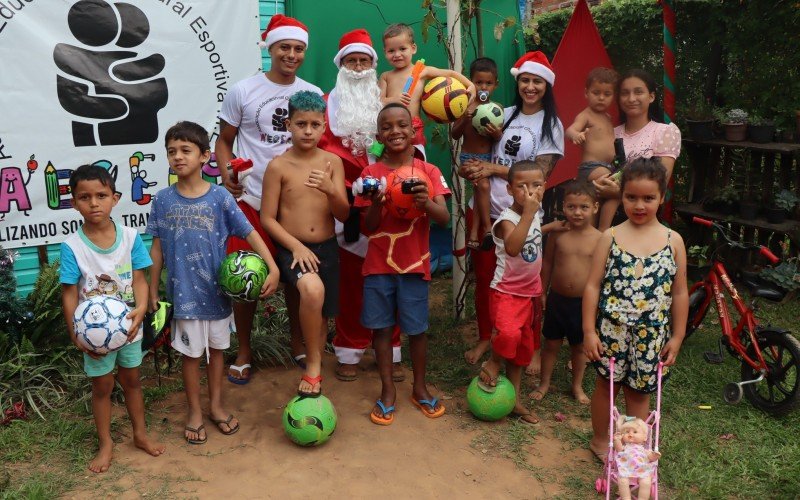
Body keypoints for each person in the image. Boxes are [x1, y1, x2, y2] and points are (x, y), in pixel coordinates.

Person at [147, 122, 279, 445]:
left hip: (218, 294)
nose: (178, 157)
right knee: (191, 356)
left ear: (205, 156)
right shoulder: (163, 200)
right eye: (171, 151)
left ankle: (216, 406)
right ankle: (194, 411)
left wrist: (272, 268)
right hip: (184, 294)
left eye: (185, 150)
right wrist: (152, 290)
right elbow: (157, 248)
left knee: (217, 352)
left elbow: (249, 231)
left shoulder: (220, 197)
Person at [215, 14, 322, 383]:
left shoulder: (311, 94)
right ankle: (244, 350)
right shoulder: (243, 91)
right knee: (245, 276)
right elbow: (223, 141)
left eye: (298, 49)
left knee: (296, 274)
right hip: (250, 199)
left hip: (293, 201)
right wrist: (228, 173)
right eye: (284, 47)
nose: (291, 54)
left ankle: (298, 343)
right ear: (271, 49)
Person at [459, 51, 565, 371]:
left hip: (523, 218)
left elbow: (541, 176)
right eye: (525, 81)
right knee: (487, 279)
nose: (530, 87)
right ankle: (485, 337)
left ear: (546, 86)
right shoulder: (500, 113)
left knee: (526, 285)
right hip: (487, 212)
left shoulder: (552, 125)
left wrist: (490, 166)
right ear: (517, 82)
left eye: (537, 82)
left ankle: (526, 342)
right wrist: (474, 168)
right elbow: (473, 150)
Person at [60, 164, 165, 473]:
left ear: (115, 198)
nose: (94, 203)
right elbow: (68, 293)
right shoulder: (72, 247)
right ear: (73, 202)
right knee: (102, 387)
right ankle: (106, 443)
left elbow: (141, 278)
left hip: (130, 328)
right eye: (85, 197)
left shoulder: (131, 238)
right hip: (94, 337)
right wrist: (75, 335)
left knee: (132, 381)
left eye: (101, 195)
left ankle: (140, 435)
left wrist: (142, 308)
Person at [583, 158, 688, 462]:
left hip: (652, 334)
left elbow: (680, 292)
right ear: (621, 195)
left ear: (662, 197)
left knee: (640, 393)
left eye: (648, 198)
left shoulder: (674, 241)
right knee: (606, 386)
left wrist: (678, 336)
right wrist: (589, 331)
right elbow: (592, 286)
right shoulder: (610, 237)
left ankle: (632, 448)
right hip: (611, 330)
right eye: (631, 197)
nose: (639, 205)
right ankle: (601, 441)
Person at [318, 28, 405, 382]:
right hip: (346, 207)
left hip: (389, 204)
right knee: (352, 283)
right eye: (351, 61)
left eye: (364, 60)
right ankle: (350, 348)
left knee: (390, 276)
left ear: (373, 64)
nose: (358, 67)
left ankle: (393, 348)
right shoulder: (326, 106)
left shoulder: (386, 104)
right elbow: (320, 151)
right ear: (341, 65)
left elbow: (408, 137)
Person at [357, 103, 451, 425]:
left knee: (417, 330)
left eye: (401, 125)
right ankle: (387, 391)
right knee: (381, 329)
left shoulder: (429, 172)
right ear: (379, 134)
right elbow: (367, 227)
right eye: (387, 127)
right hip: (379, 265)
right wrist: (375, 204)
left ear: (414, 131)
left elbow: (444, 217)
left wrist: (426, 203)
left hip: (414, 265)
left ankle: (420, 387)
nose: (394, 131)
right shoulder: (370, 175)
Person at [261, 91, 349, 396]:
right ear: (289, 124)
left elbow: (344, 213)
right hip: (293, 249)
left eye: (314, 124)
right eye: (301, 124)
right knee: (312, 290)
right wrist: (295, 247)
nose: (308, 131)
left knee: (321, 314)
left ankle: (316, 363)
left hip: (326, 246)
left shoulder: (332, 163)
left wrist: (331, 191)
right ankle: (313, 367)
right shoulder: (279, 166)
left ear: (324, 126)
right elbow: (267, 218)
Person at [476, 160, 548, 425]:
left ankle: (515, 400)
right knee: (507, 334)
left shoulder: (537, 215)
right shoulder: (507, 220)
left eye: (536, 185)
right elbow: (514, 248)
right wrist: (529, 214)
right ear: (508, 189)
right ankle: (494, 362)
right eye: (522, 186)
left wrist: (547, 224)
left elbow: (534, 247)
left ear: (545, 187)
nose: (529, 192)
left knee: (521, 349)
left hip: (529, 294)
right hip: (506, 292)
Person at [531, 180, 600, 405]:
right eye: (571, 207)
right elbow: (548, 262)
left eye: (584, 207)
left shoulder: (600, 240)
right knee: (550, 343)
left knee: (579, 348)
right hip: (556, 299)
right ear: (563, 206)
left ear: (595, 207)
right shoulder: (557, 234)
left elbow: (602, 274)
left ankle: (577, 386)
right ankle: (544, 384)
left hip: (583, 304)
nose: (577, 212)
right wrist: (542, 289)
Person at [592, 69, 681, 221]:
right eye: (625, 93)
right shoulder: (609, 133)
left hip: (643, 219)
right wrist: (596, 185)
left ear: (651, 96)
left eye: (638, 92)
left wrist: (619, 192)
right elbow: (594, 170)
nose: (631, 98)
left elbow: (660, 183)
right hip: (605, 217)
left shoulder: (665, 132)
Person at [378, 22, 475, 155]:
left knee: (415, 161)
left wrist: (471, 85)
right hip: (390, 127)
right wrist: (394, 99)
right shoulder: (386, 76)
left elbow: (451, 74)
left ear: (413, 48)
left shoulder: (422, 71)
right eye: (391, 51)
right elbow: (378, 101)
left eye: (402, 49)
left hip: (413, 126)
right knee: (388, 160)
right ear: (385, 52)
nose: (397, 54)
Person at [450, 57, 500, 251]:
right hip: (469, 158)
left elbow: (499, 140)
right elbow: (455, 134)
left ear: (496, 84)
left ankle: (473, 236)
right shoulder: (465, 106)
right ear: (471, 82)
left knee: (480, 190)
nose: (483, 87)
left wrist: (497, 134)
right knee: (483, 186)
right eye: (478, 82)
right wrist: (464, 120)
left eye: (488, 83)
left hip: (488, 160)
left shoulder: (496, 110)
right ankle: (487, 229)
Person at [565, 67, 619, 230]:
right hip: (591, 168)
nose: (601, 98)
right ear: (586, 93)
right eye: (596, 93)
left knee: (599, 201)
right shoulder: (586, 115)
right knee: (616, 190)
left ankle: (594, 233)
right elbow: (570, 129)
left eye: (607, 94)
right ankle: (604, 231)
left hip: (607, 167)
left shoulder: (608, 118)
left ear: (613, 96)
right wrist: (576, 135)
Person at [613, 415, 661, 500]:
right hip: (626, 469)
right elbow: (619, 450)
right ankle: (626, 498)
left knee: (646, 482)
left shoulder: (644, 450)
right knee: (622, 481)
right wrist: (617, 440)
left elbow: (650, 458)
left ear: (645, 437)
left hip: (642, 470)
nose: (630, 434)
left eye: (635, 432)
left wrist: (654, 456)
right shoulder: (625, 447)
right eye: (627, 432)